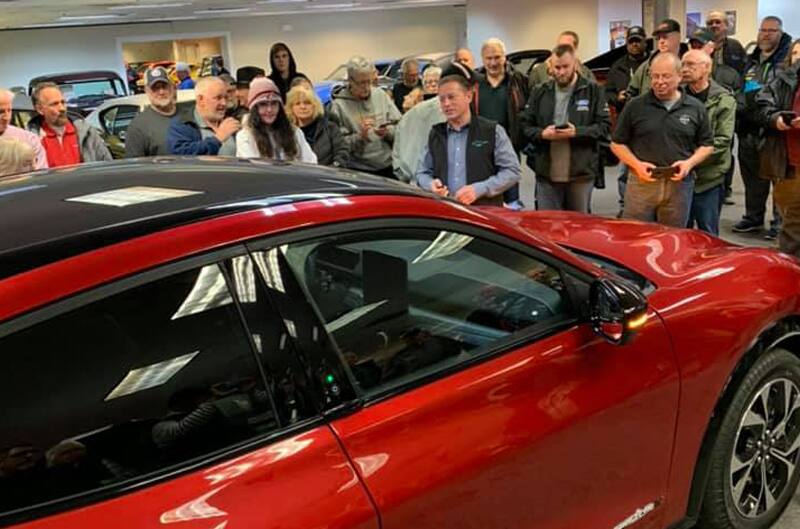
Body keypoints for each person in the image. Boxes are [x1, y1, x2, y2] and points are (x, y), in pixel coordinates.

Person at [611, 53, 714, 227]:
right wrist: (636, 165)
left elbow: (707, 145)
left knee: (673, 238)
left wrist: (689, 164)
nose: (660, 81)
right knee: (636, 237)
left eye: (666, 76)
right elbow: (616, 143)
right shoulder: (635, 106)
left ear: (680, 76)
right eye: (655, 76)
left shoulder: (695, 108)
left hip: (679, 185)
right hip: (642, 183)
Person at [520, 44, 610, 213]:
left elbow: (604, 127)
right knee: (548, 226)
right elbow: (525, 126)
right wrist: (542, 134)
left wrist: (577, 132)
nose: (561, 72)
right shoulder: (540, 92)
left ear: (575, 64)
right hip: (547, 174)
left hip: (580, 174)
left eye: (565, 67)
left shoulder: (593, 90)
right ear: (550, 67)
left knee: (579, 227)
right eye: (557, 67)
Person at [416, 64, 521, 206]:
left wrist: (479, 189)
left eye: (452, 97)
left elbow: (512, 171)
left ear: (468, 96)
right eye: (442, 99)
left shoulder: (492, 131)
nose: (446, 103)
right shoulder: (436, 134)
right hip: (448, 211)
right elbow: (422, 173)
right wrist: (430, 185)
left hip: (485, 213)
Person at [733, 16, 793, 238]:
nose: (766, 34)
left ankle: (779, 223)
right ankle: (753, 217)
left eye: (771, 30)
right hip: (749, 128)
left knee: (778, 179)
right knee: (752, 178)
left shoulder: (787, 63)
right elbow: (741, 88)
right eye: (763, 30)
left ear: (780, 33)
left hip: (774, 131)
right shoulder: (751, 61)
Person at [681, 50, 736, 235]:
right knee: (680, 232)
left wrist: (692, 159)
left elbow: (723, 140)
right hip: (679, 178)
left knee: (709, 233)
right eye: (683, 64)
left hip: (709, 177)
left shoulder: (724, 99)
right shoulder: (676, 96)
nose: (685, 69)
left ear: (706, 68)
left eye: (691, 65)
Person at [756, 38, 800, 256]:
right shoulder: (783, 80)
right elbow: (762, 103)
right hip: (790, 165)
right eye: (796, 54)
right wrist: (776, 118)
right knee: (791, 226)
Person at [328, 55, 401, 178]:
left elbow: (400, 127)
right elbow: (339, 146)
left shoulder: (380, 95)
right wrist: (361, 137)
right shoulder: (338, 106)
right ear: (350, 81)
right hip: (359, 170)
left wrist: (387, 132)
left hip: (387, 164)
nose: (367, 87)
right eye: (362, 83)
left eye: (369, 81)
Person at [477, 37, 529, 209]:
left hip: (510, 150)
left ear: (505, 57)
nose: (493, 63)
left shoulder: (518, 81)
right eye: (489, 58)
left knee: (512, 200)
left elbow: (527, 113)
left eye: (497, 57)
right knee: (486, 200)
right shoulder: (474, 84)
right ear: (482, 59)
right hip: (481, 151)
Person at [605, 26, 648, 216]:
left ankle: (646, 205)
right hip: (625, 122)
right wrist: (618, 98)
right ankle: (624, 206)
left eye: (638, 41)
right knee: (624, 170)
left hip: (647, 121)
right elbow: (607, 93)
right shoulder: (617, 67)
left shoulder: (651, 63)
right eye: (632, 41)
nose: (635, 45)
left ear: (645, 42)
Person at [393, 64, 455, 182]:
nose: (432, 86)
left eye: (435, 82)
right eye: (428, 82)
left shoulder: (447, 112)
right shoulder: (409, 116)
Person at [28, 82, 111, 167]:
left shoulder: (87, 133)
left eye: (63, 102)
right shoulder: (31, 140)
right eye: (54, 104)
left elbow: (107, 166)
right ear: (40, 109)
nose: (62, 108)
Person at [236, 78, 316, 163]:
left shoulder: (294, 132)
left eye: (274, 103)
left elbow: (311, 162)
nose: (269, 109)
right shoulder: (245, 137)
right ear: (254, 108)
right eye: (263, 104)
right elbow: (255, 171)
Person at [167, 76, 241, 156]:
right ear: (200, 100)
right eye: (218, 98)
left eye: (225, 98)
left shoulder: (232, 120)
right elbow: (182, 155)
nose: (224, 103)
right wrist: (217, 139)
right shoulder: (183, 125)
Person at [286, 85, 347, 167]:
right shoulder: (287, 133)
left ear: (315, 105)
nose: (303, 107)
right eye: (297, 104)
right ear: (291, 108)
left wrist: (334, 167)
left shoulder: (330, 128)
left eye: (307, 103)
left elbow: (342, 152)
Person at [125, 67, 179, 158]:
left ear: (171, 88)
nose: (161, 92)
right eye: (155, 88)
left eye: (164, 86)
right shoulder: (138, 127)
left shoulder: (189, 116)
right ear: (146, 91)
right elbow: (135, 168)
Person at [627, 19, 685, 99]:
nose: (661, 41)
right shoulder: (646, 67)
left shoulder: (689, 64)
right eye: (658, 38)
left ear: (677, 38)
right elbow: (631, 94)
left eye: (665, 37)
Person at [529, 31, 596, 90]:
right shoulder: (538, 71)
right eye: (560, 46)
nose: (562, 50)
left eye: (567, 47)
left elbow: (592, 92)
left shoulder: (586, 72)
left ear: (575, 49)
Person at [0, 88, 47, 170]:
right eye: (1, 112)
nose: (7, 117)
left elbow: (41, 175)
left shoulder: (30, 139)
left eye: (9, 110)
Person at [706, 9, 747, 74]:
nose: (714, 25)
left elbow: (744, 69)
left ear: (726, 25)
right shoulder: (700, 47)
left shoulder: (735, 46)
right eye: (710, 23)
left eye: (718, 22)